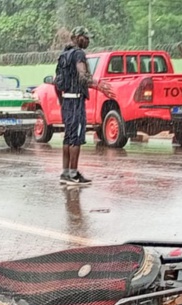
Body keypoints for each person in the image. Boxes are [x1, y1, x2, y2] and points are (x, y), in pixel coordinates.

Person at [56, 26, 114, 186]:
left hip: (67, 101)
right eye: (85, 37)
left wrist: (62, 102)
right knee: (76, 138)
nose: (88, 41)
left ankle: (66, 173)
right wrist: (98, 85)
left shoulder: (63, 54)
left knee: (68, 137)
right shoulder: (79, 54)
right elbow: (83, 77)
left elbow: (57, 82)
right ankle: (73, 175)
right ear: (77, 37)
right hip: (75, 102)